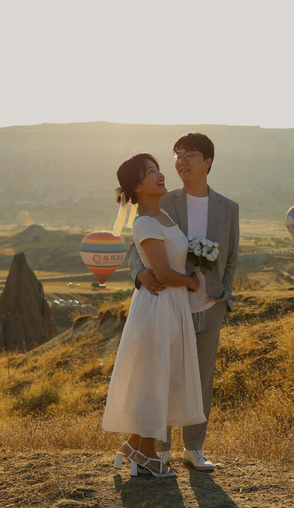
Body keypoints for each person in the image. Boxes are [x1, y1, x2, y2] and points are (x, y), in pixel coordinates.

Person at [128, 132, 239, 471]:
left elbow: (231, 258)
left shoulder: (228, 208)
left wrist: (223, 298)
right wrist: (139, 274)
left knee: (201, 380)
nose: (181, 161)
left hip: (210, 308)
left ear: (208, 161)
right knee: (162, 376)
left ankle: (194, 448)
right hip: (169, 305)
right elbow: (136, 244)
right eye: (177, 155)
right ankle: (158, 449)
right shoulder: (164, 201)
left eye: (190, 154)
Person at [102, 152, 206, 478]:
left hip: (169, 305)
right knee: (154, 375)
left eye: (158, 169)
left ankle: (134, 445)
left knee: (158, 373)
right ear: (137, 185)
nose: (160, 174)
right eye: (151, 172)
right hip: (160, 305)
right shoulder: (146, 221)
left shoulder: (161, 216)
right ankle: (146, 454)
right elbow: (161, 272)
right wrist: (190, 280)